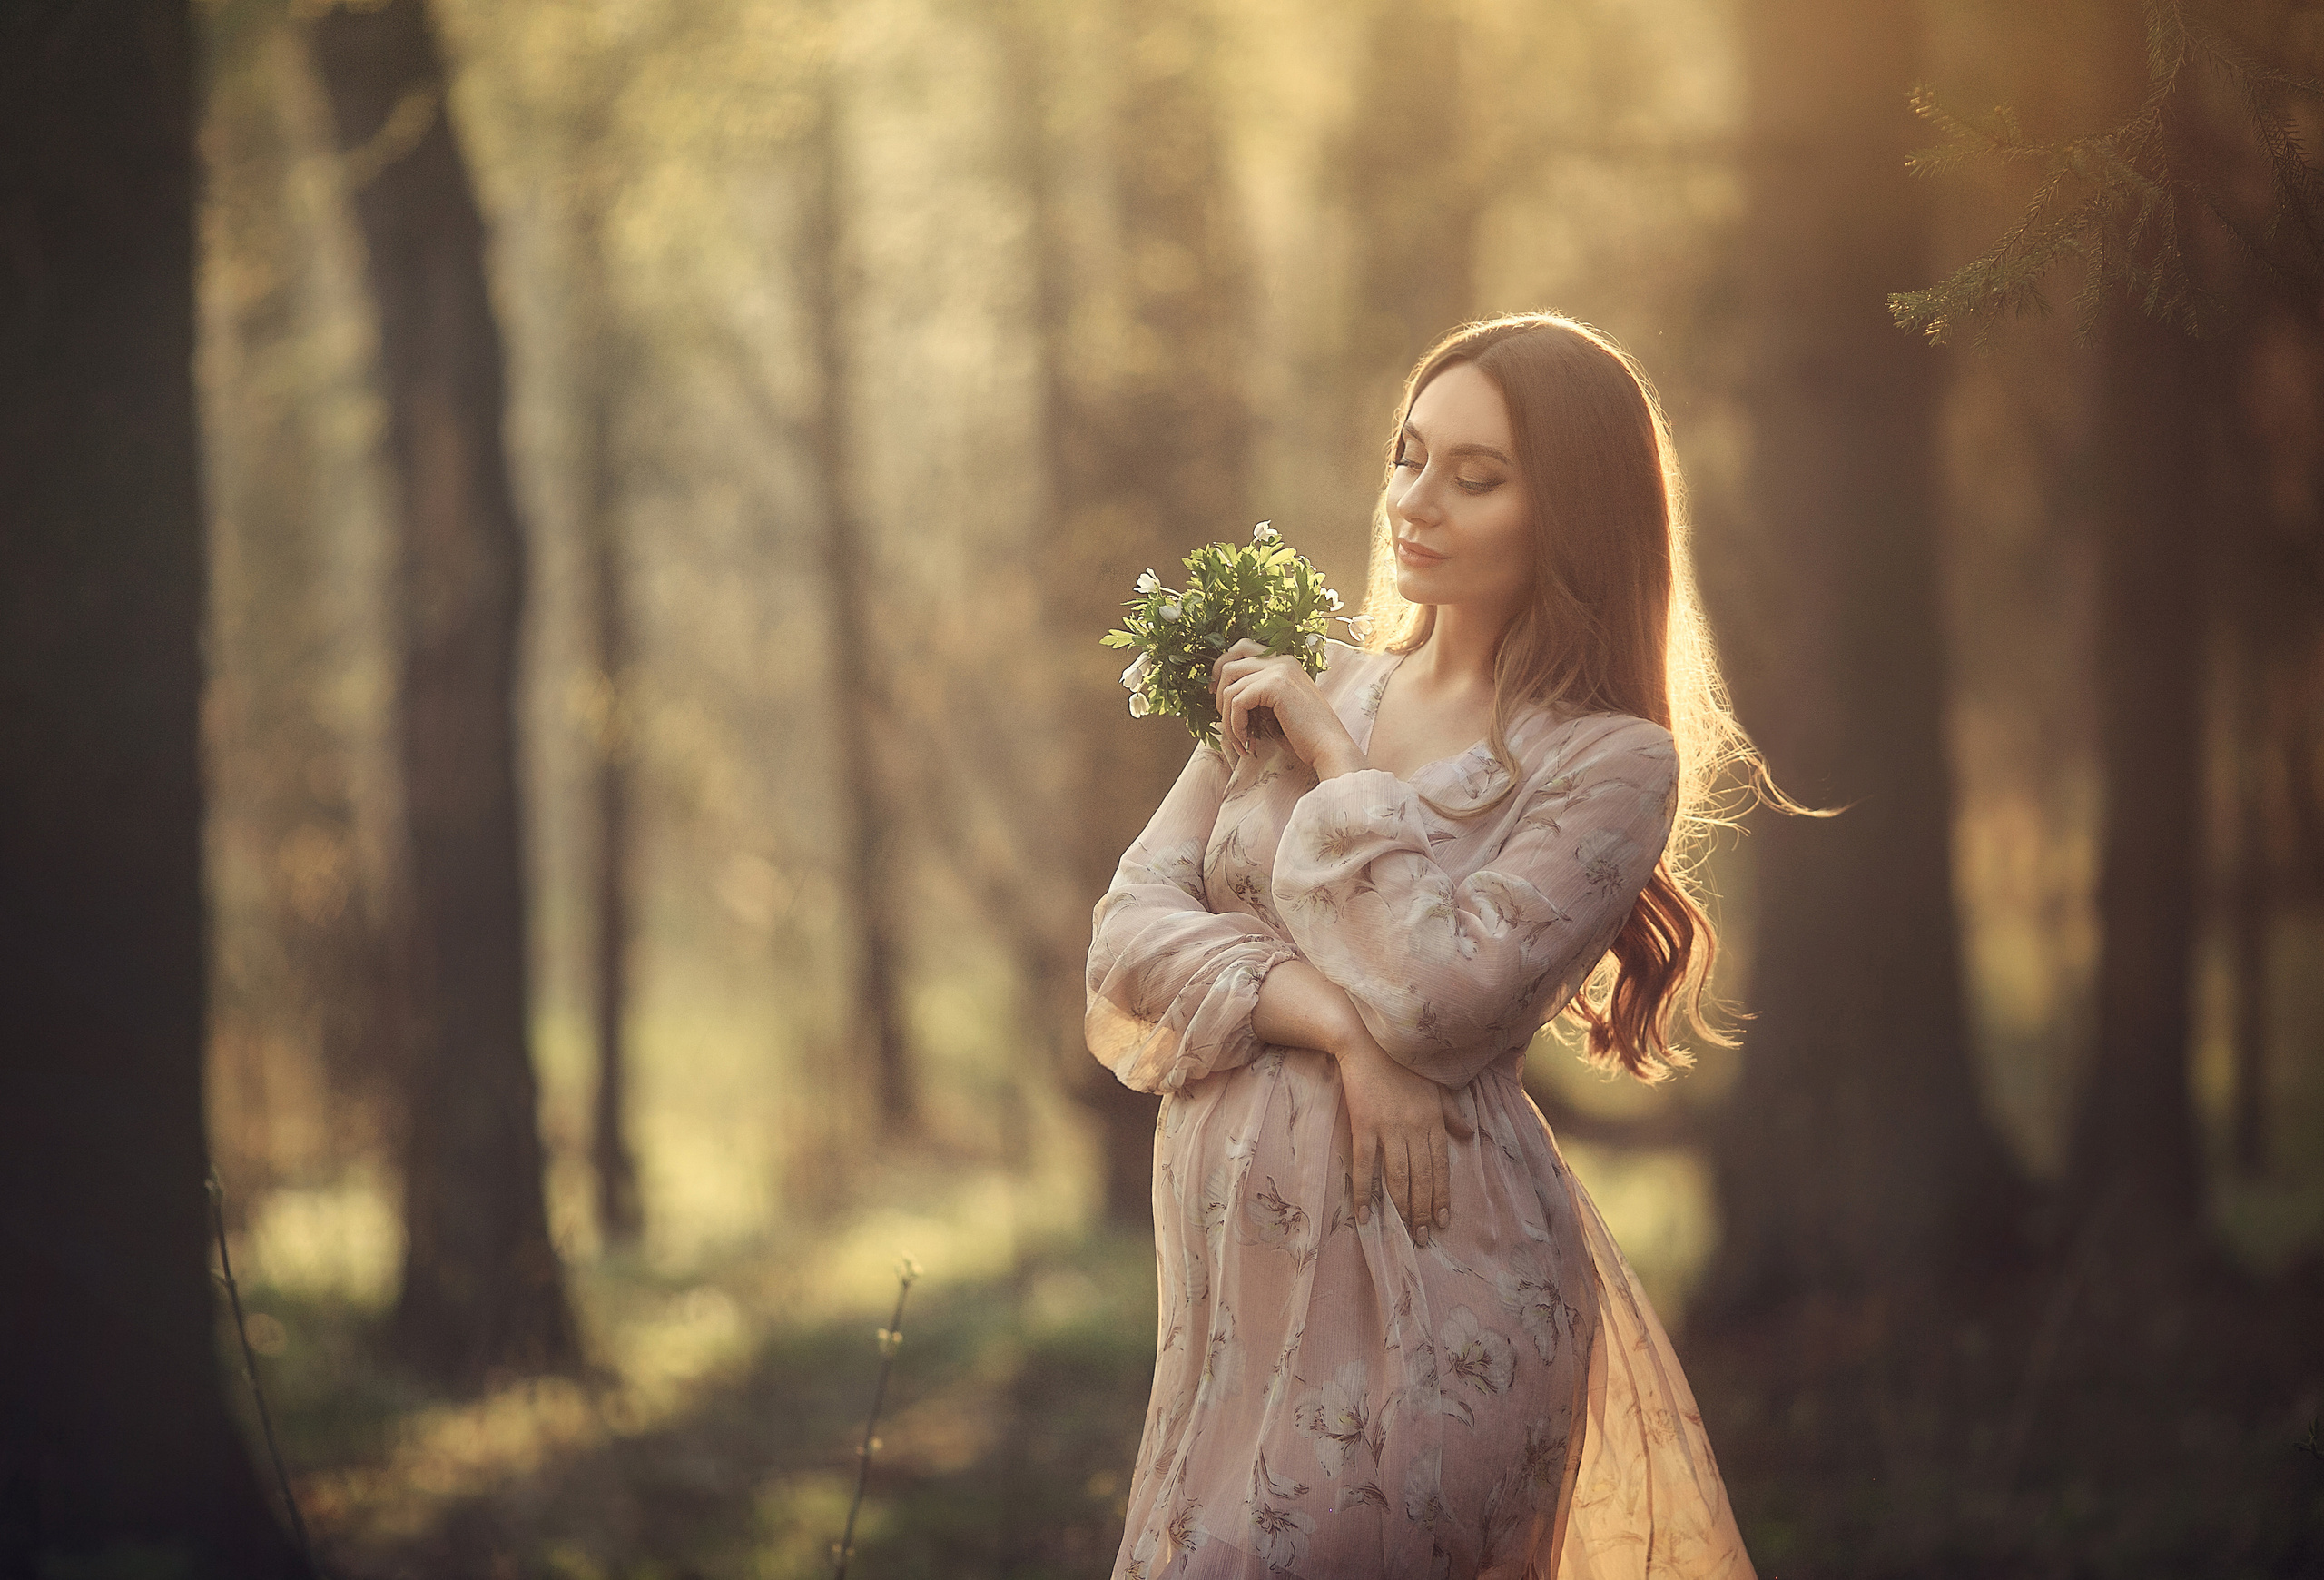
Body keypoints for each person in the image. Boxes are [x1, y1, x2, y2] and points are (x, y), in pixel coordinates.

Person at [1084, 313, 1764, 1579]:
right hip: (1232, 1331)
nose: (1417, 500)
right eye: (1409, 456)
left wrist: (1341, 772)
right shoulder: (1305, 677)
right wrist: (1334, 1028)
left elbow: (1442, 994)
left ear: (1572, 511)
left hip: (1438, 1303)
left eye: (1477, 475)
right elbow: (1126, 940)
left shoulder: (1609, 762)